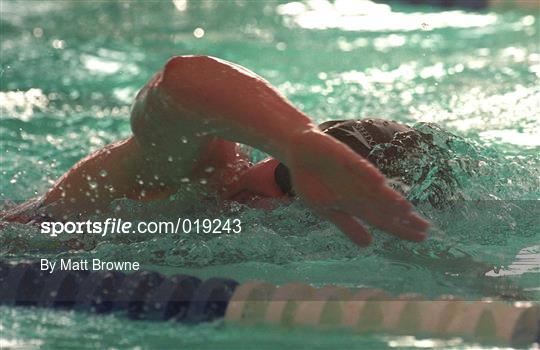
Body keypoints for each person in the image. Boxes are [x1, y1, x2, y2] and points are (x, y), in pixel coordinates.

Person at [1, 55, 429, 247]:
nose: (274, 203)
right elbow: (180, 80)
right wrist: (297, 136)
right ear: (273, 152)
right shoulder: (208, 164)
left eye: (302, 203)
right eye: (286, 176)